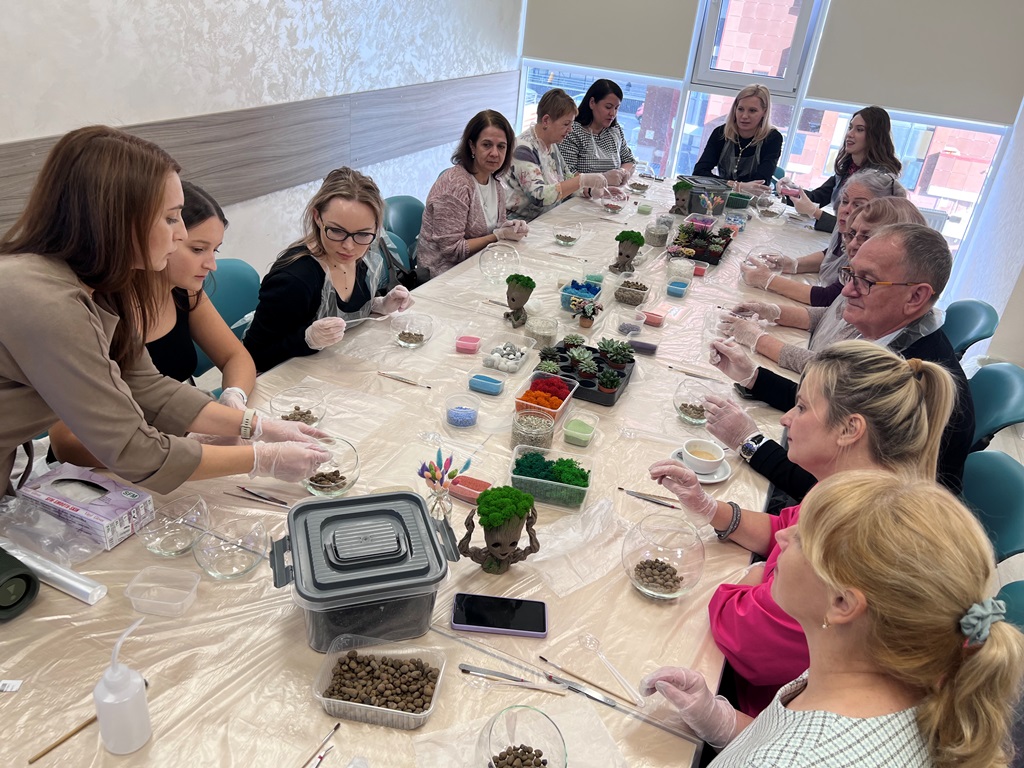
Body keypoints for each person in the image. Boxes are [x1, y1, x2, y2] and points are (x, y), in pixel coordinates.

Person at [0, 126, 330, 495]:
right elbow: (134, 451)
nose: (180, 235)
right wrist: (260, 459)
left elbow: (147, 384)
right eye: (171, 218)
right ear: (117, 220)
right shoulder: (48, 302)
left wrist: (255, 425)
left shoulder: (103, 285)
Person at [652, 339, 955, 716]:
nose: (786, 419)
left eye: (802, 407)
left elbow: (744, 638)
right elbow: (783, 525)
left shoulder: (851, 541)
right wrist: (710, 509)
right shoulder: (852, 491)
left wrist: (754, 575)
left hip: (759, 706)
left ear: (850, 429)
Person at [640, 472, 1024, 768]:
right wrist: (719, 720)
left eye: (802, 538)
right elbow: (790, 736)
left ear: (842, 602)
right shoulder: (880, 669)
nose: (783, 537)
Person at [710, 223, 975, 499]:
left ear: (916, 296)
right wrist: (753, 376)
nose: (846, 291)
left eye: (866, 281)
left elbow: (836, 489)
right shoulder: (892, 333)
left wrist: (750, 443)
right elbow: (826, 408)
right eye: (850, 274)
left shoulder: (903, 381)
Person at [48, 181, 259, 466]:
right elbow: (66, 443)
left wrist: (234, 396)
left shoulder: (184, 291)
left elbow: (235, 356)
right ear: (155, 238)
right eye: (198, 249)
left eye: (215, 251)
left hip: (164, 445)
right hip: (108, 461)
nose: (212, 265)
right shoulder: (93, 310)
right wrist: (173, 446)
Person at [727, 197, 926, 373]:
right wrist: (773, 311)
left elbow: (835, 373)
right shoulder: (863, 277)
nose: (852, 244)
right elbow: (834, 314)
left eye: (866, 237)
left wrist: (759, 340)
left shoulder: (890, 304)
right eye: (851, 234)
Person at [243, 167, 413, 372]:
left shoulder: (368, 256)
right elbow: (253, 356)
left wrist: (379, 305)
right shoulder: (295, 279)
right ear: (317, 217)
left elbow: (350, 310)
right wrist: (307, 339)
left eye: (363, 234)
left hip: (338, 365)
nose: (349, 246)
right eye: (337, 231)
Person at [740, 168, 907, 306]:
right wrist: (794, 264)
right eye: (845, 201)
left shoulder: (871, 250)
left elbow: (829, 297)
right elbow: (832, 253)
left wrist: (768, 280)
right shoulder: (848, 230)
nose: (846, 210)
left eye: (858, 205)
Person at [416, 110, 526, 279]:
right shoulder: (455, 185)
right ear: (472, 146)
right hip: (444, 275)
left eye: (501, 146)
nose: (495, 153)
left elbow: (497, 227)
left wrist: (511, 228)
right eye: (487, 145)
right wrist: (498, 236)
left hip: (480, 264)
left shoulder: (495, 182)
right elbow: (452, 250)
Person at [783, 105, 902, 233]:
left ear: (875, 137)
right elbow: (817, 197)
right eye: (850, 128)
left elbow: (857, 229)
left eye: (859, 130)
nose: (849, 134)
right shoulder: (848, 168)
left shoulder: (880, 180)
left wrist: (815, 212)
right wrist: (790, 190)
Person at [505, 89, 616, 221]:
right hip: (523, 224)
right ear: (546, 120)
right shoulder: (523, 149)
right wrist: (582, 180)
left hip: (547, 217)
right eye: (566, 124)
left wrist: (594, 190)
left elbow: (567, 178)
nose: (570, 130)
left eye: (571, 124)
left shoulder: (551, 145)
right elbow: (539, 196)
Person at [692, 84, 783, 194]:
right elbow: (699, 173)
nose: (744, 116)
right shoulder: (721, 133)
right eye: (740, 109)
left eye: (752, 110)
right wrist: (737, 186)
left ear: (764, 112)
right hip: (720, 196)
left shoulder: (772, 138)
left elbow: (761, 185)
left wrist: (726, 184)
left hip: (751, 199)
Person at [558, 79, 636, 184]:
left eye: (616, 108)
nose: (612, 113)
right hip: (583, 193)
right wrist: (603, 179)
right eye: (608, 107)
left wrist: (623, 172)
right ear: (592, 103)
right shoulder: (572, 131)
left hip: (613, 191)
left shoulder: (615, 129)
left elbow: (629, 160)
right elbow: (567, 174)